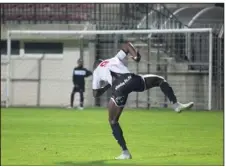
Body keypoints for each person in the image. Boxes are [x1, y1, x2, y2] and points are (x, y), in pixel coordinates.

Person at [92, 42, 194, 160]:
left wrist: (106, 87)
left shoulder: (96, 72)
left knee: (113, 121)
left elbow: (95, 94)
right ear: (103, 61)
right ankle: (176, 105)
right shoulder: (113, 59)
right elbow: (126, 45)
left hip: (118, 89)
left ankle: (125, 152)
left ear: (95, 66)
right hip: (130, 79)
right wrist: (136, 56)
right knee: (159, 80)